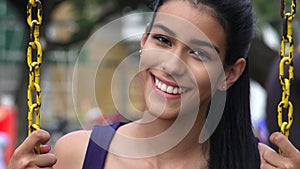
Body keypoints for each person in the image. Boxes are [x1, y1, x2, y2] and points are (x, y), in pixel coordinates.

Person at [7, 0, 300, 168]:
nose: (171, 65)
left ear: (230, 73)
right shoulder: (77, 154)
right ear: (144, 39)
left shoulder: (261, 164)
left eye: (198, 53)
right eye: (163, 40)